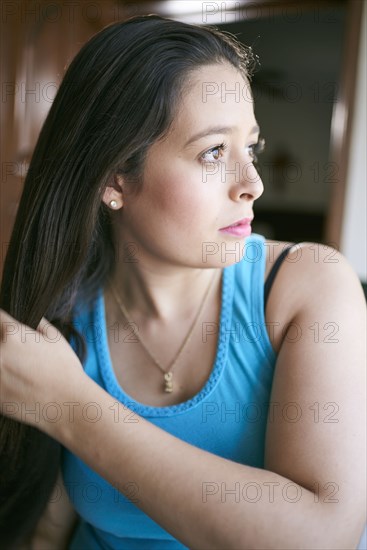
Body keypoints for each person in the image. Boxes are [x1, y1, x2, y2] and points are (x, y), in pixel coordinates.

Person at [0, 14, 366, 550]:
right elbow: (46, 530)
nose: (253, 184)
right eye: (214, 152)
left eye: (252, 148)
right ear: (113, 177)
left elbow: (320, 538)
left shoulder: (309, 287)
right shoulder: (58, 315)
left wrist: (70, 406)